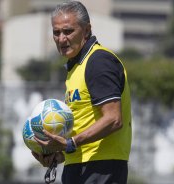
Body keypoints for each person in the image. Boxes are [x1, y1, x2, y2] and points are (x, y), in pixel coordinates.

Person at [32, 1, 132, 184]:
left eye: (68, 31)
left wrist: (71, 143)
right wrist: (59, 155)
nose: (61, 39)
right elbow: (84, 123)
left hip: (101, 169)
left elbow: (113, 119)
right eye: (56, 32)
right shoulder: (76, 67)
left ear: (86, 30)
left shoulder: (98, 61)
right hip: (80, 167)